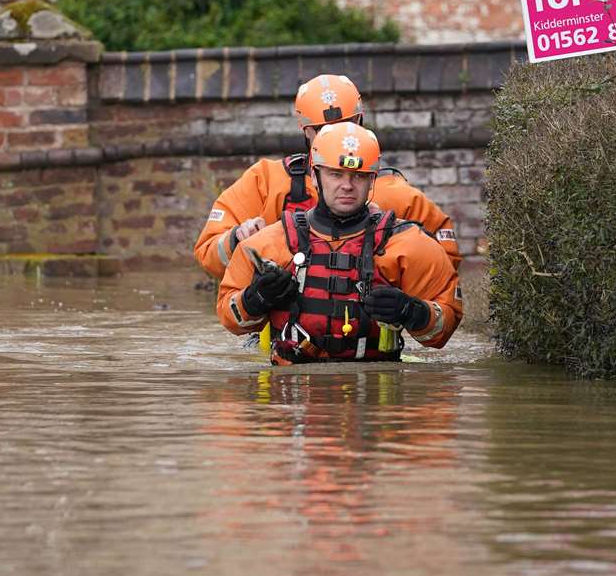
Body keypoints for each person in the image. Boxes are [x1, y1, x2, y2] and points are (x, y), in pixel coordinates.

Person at [217, 123, 463, 364]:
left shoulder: (407, 245)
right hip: (290, 395)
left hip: (374, 391)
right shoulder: (270, 243)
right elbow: (230, 318)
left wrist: (412, 311)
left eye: (358, 176)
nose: (347, 185)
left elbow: (446, 325)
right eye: (336, 174)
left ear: (372, 180)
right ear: (315, 176)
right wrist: (255, 297)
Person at [193, 74, 460, 278]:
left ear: (359, 123)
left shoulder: (392, 192)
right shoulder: (266, 181)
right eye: (321, 129)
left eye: (343, 126)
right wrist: (237, 238)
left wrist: (404, 296)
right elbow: (208, 255)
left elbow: (443, 265)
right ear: (305, 130)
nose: (334, 136)